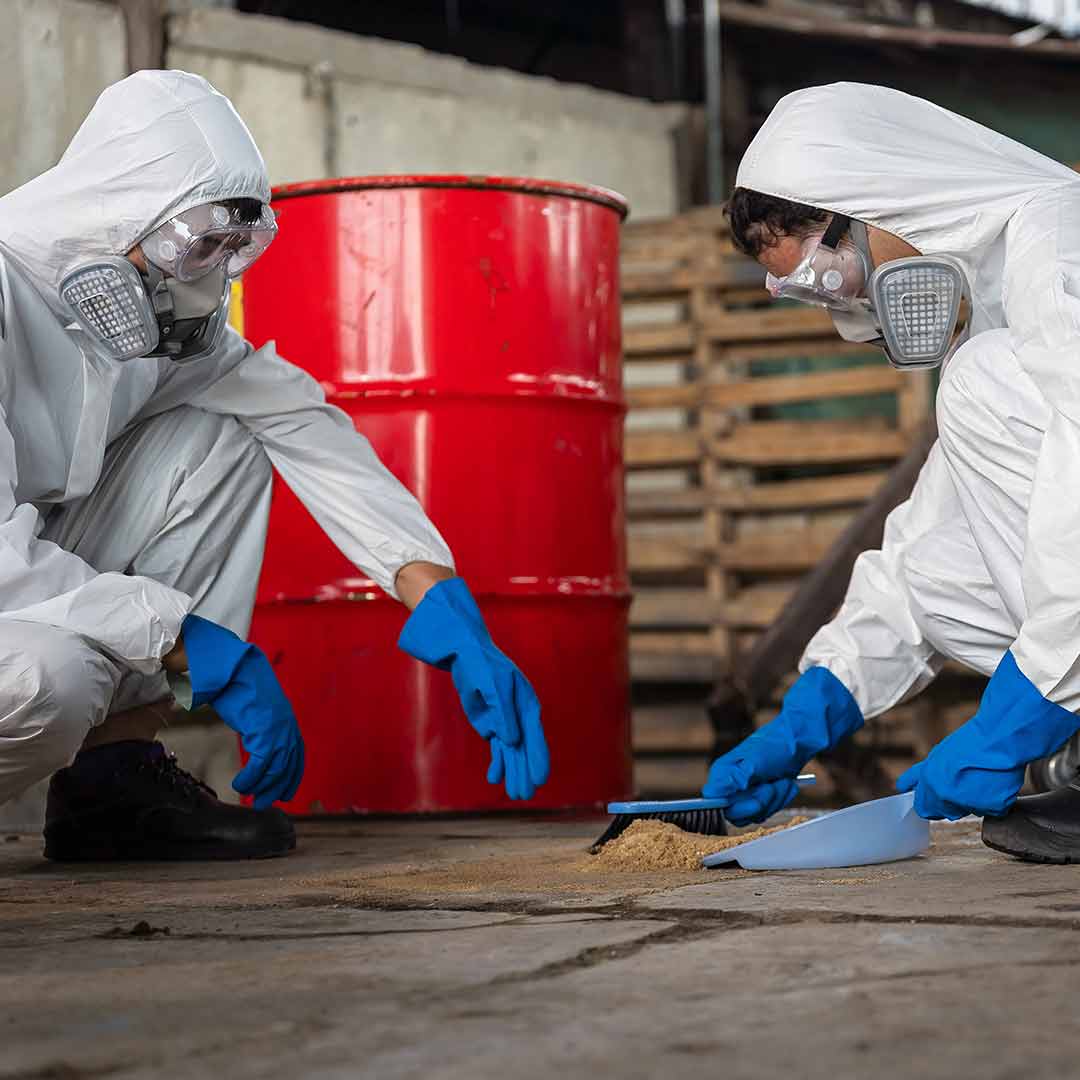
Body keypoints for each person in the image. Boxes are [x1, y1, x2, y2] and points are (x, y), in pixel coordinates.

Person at [0, 69, 548, 862]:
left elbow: (300, 420)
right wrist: (184, 638)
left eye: (230, 248)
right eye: (195, 245)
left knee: (218, 436)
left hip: (28, 575)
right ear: (116, 211)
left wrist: (439, 602)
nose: (207, 276)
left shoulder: (146, 323)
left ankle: (110, 786)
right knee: (46, 680)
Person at [703, 81, 1080, 864]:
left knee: (978, 379)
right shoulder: (1000, 293)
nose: (850, 305)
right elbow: (928, 550)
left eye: (829, 275)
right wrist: (813, 714)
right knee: (940, 575)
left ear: (879, 195)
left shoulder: (1058, 243)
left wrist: (1025, 711)